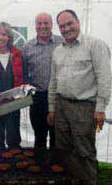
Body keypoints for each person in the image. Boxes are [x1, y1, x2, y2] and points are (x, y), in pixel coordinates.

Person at [47, 9, 111, 185]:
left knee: (84, 151)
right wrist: (52, 108)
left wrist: (100, 109)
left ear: (78, 22)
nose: (66, 29)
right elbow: (53, 81)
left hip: (84, 107)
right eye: (62, 26)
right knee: (63, 150)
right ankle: (69, 180)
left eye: (69, 24)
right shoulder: (57, 51)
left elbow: (105, 79)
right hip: (61, 105)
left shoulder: (95, 45)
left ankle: (89, 181)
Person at [22, 13, 62, 149]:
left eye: (46, 23)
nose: (43, 26)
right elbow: (23, 72)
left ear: (52, 25)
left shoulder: (62, 43)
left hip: (58, 97)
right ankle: (40, 166)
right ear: (35, 26)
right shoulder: (28, 47)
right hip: (37, 98)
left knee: (57, 136)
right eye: (39, 23)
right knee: (39, 136)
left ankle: (55, 167)